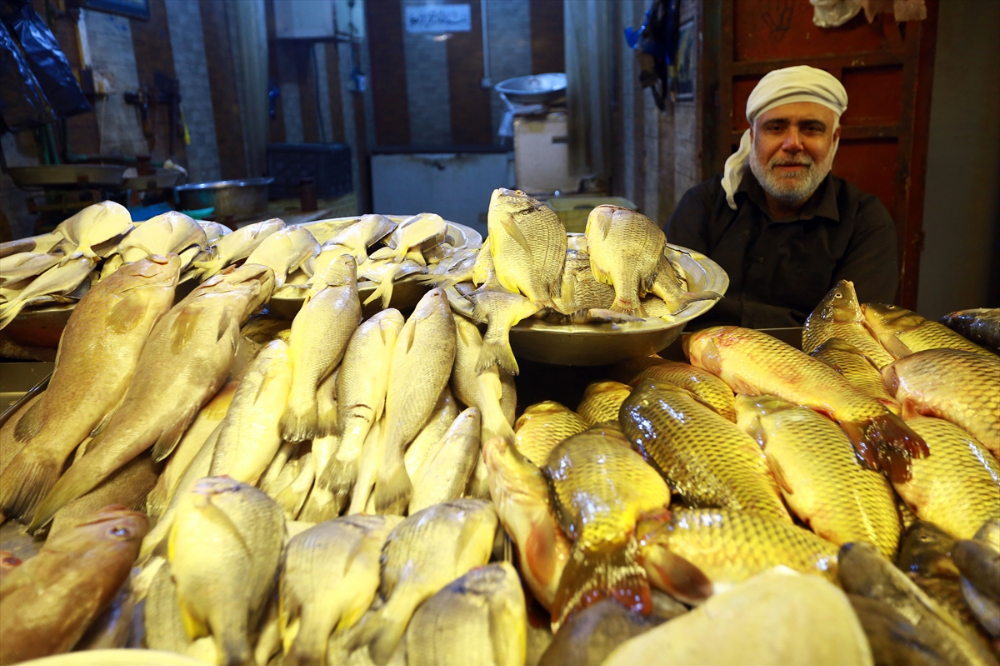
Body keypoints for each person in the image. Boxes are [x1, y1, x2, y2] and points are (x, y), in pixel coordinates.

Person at [666, 65, 898, 329]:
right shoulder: (703, 206)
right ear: (753, 137)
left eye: (811, 129)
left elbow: (851, 333)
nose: (792, 144)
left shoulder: (865, 223)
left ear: (834, 138)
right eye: (776, 128)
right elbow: (667, 308)